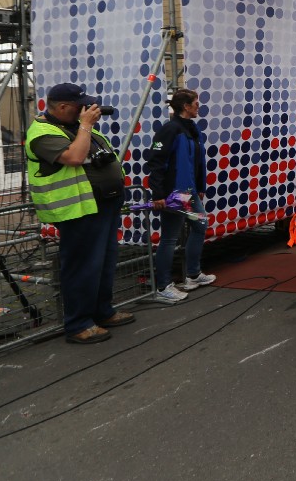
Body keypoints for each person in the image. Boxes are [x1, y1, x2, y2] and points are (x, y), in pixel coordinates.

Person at [26, 83, 135, 344]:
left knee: (104, 263)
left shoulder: (76, 127)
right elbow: (74, 157)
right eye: (80, 106)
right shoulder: (42, 132)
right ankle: (78, 323)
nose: (86, 110)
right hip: (77, 210)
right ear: (62, 107)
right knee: (82, 268)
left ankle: (102, 311)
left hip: (102, 205)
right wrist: (86, 125)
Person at [145, 88, 216, 304]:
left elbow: (195, 160)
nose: (198, 107)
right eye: (196, 103)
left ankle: (193, 274)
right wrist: (159, 194)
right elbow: (156, 162)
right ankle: (163, 286)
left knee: (200, 225)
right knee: (170, 237)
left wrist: (199, 185)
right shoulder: (170, 129)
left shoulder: (190, 128)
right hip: (175, 193)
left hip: (188, 191)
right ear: (186, 106)